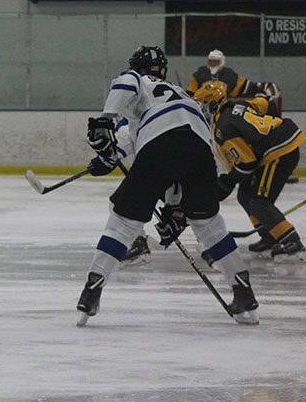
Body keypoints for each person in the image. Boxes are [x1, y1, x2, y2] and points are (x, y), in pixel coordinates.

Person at [78, 45, 258, 326]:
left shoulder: (140, 81)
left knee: (122, 222)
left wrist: (105, 121)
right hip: (200, 148)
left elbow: (127, 89)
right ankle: (244, 291)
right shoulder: (184, 94)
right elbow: (164, 147)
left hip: (161, 143)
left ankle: (91, 292)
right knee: (209, 225)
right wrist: (175, 207)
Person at [193, 79, 306, 260]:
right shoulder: (237, 104)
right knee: (244, 194)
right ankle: (270, 236)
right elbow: (264, 103)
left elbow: (247, 163)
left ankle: (292, 242)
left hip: (278, 152)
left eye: (204, 105)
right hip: (276, 148)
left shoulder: (223, 127)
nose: (201, 110)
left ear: (214, 104)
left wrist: (227, 182)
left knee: (259, 202)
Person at [187, 49, 278, 99]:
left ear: (221, 61)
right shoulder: (199, 74)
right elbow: (190, 94)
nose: (213, 64)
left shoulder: (229, 75)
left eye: (215, 62)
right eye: (211, 61)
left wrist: (265, 92)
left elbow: (251, 87)